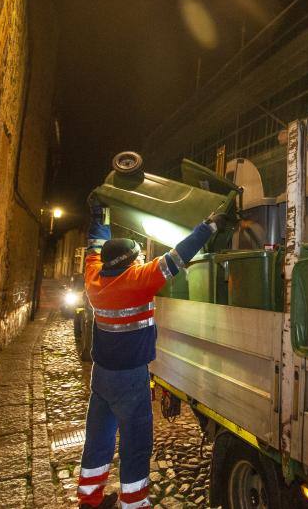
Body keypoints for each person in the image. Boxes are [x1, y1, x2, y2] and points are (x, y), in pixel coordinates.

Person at [77, 194, 226, 509]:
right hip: (130, 379)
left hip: (101, 376)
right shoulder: (138, 281)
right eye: (137, 256)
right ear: (130, 263)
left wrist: (99, 215)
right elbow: (179, 256)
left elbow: (93, 245)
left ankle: (89, 499)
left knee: (98, 439)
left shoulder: (94, 278)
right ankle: (134, 503)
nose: (141, 259)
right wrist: (208, 226)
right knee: (135, 444)